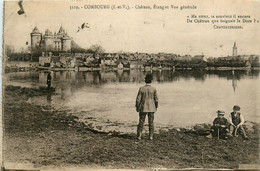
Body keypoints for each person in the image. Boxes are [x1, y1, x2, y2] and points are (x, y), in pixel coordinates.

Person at [136, 73, 159, 140]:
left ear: (145, 80)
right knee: (151, 122)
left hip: (143, 107)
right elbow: (156, 100)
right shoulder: (153, 89)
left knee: (141, 122)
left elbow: (138, 100)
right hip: (152, 108)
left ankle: (139, 136)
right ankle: (151, 136)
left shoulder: (141, 89)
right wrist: (156, 106)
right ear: (151, 81)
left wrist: (137, 107)